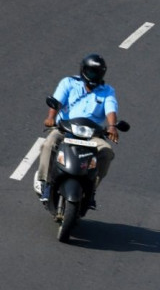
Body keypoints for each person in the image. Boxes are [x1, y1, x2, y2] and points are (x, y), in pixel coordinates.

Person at [37, 54, 120, 209]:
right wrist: (50, 118)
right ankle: (45, 183)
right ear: (83, 70)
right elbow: (57, 102)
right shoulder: (69, 82)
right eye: (90, 72)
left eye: (97, 72)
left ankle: (91, 189)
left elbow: (111, 109)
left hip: (92, 135)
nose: (93, 76)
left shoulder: (107, 91)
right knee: (48, 144)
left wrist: (112, 126)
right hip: (64, 129)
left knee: (107, 152)